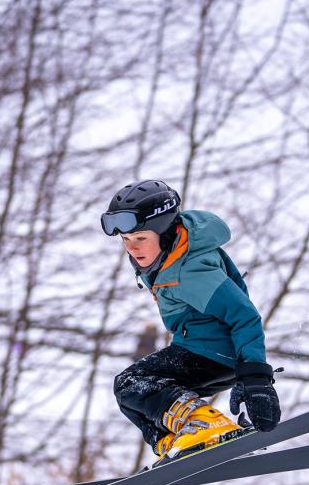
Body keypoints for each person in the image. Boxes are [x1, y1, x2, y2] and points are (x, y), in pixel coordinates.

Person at [102, 179, 280, 464]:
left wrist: (256, 378)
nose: (132, 249)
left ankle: (206, 426)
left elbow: (244, 315)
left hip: (214, 352)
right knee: (133, 397)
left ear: (164, 232)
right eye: (126, 241)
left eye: (140, 238)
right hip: (201, 347)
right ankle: (176, 442)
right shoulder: (167, 258)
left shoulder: (190, 270)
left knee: (131, 382)